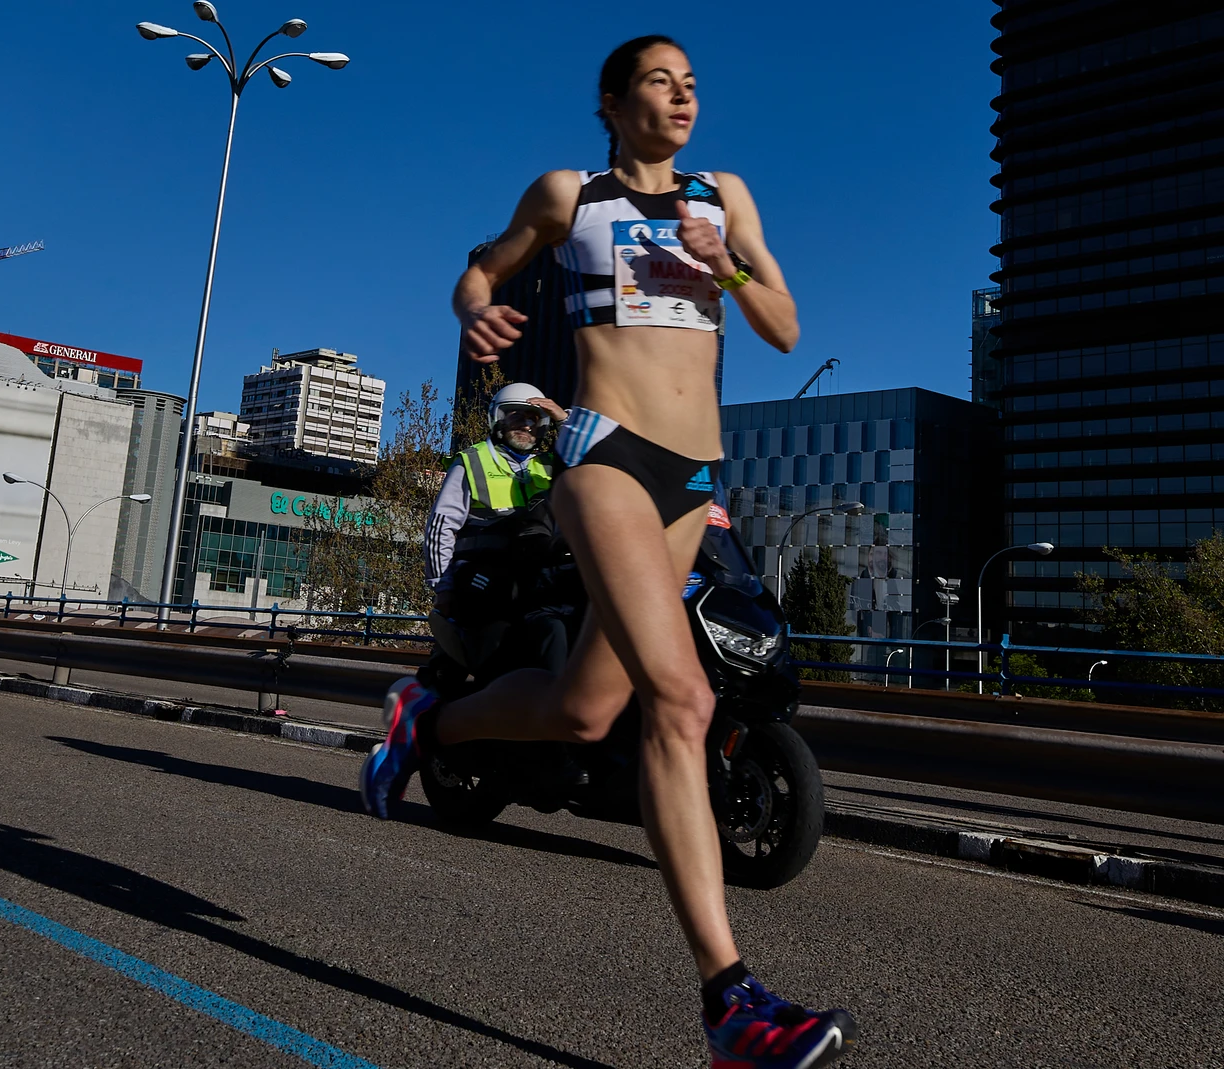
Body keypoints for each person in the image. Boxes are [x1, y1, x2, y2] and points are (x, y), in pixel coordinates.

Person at [361, 36, 856, 1069]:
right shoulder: (569, 196)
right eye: (660, 82)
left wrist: (729, 264)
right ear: (612, 101)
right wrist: (475, 306)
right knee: (680, 701)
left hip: (690, 478)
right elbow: (483, 266)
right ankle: (732, 1004)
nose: (682, 97)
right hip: (606, 455)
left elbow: (781, 323)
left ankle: (430, 718)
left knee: (585, 707)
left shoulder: (724, 195)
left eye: (691, 85)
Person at [424, 382, 573, 675]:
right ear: (498, 420)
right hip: (481, 574)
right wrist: (443, 587)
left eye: (534, 419)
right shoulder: (472, 461)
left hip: (533, 576)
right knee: (479, 644)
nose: (526, 426)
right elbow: (440, 528)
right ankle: (437, 690)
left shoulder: (548, 467)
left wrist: (564, 421)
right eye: (516, 417)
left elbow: (590, 460)